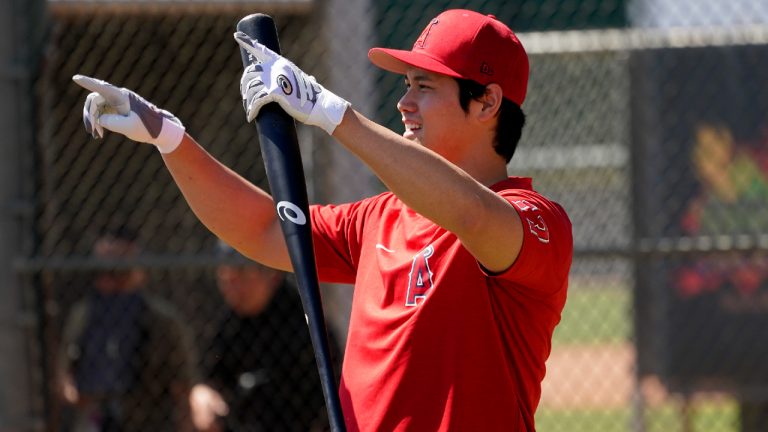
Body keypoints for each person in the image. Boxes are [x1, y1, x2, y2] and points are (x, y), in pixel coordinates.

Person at [72, 8, 573, 431]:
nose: (404, 102)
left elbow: (472, 215)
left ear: (487, 101)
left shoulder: (535, 220)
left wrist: (331, 113)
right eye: (406, 85)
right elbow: (264, 228)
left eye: (425, 86)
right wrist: (171, 140)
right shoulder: (379, 217)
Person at [57, 229, 198, 432]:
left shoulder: (160, 319)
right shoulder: (83, 315)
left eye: (119, 270)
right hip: (95, 421)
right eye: (103, 270)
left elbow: (183, 385)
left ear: (139, 270)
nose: (110, 279)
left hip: (149, 421)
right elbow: (65, 376)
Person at [190, 243, 339, 432]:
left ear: (272, 275)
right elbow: (209, 376)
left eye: (241, 273)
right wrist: (202, 393)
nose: (231, 286)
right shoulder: (227, 322)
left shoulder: (305, 324)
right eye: (225, 276)